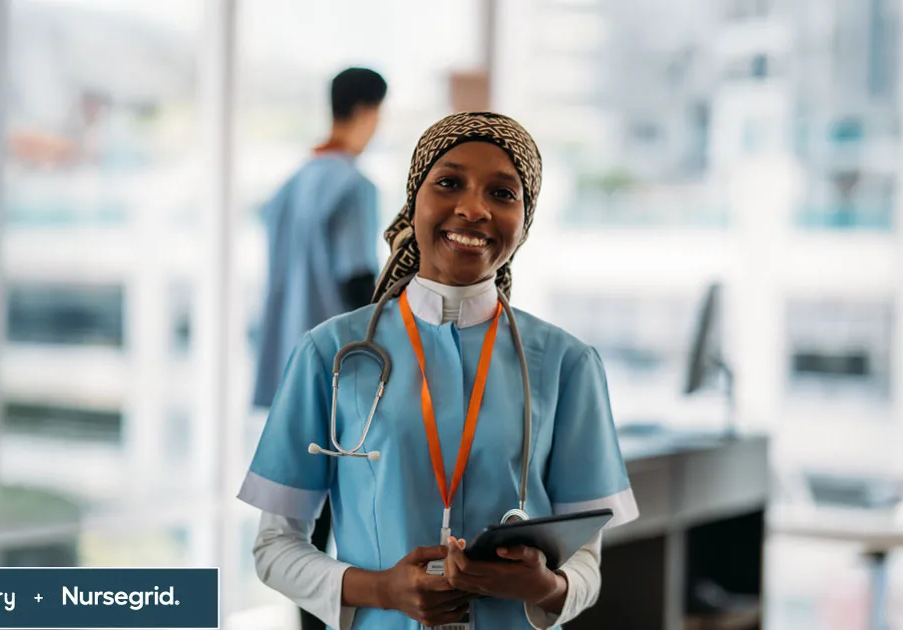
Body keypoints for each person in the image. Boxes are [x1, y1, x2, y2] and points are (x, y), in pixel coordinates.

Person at [238, 112, 638, 629]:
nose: (473, 209)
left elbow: (587, 565)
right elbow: (275, 546)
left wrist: (546, 587)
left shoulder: (568, 364)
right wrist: (381, 589)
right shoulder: (329, 353)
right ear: (414, 200)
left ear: (526, 220)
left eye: (503, 193)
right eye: (449, 183)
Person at [251, 67, 387, 630]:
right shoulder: (354, 187)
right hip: (342, 379)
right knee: (345, 525)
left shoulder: (290, 186)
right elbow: (358, 285)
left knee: (293, 535)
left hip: (291, 374)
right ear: (369, 111)